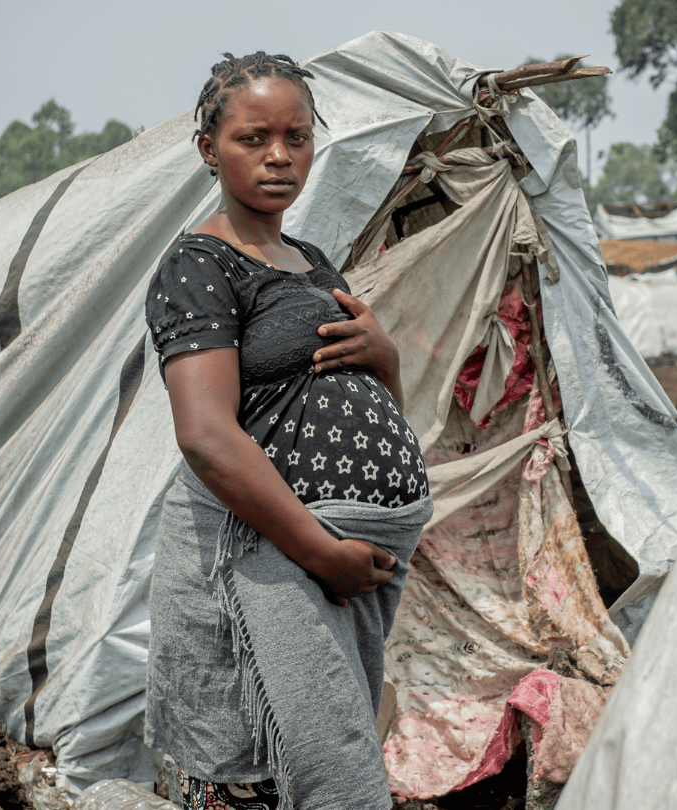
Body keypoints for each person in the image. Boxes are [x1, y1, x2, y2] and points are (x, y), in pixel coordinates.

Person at [143, 52, 432, 810]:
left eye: (297, 137)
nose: (279, 156)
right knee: (276, 771)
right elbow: (207, 437)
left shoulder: (306, 260)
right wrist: (321, 552)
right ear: (209, 148)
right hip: (280, 553)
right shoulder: (197, 266)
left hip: (339, 556)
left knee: (327, 753)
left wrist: (387, 359)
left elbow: (358, 390)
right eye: (253, 138)